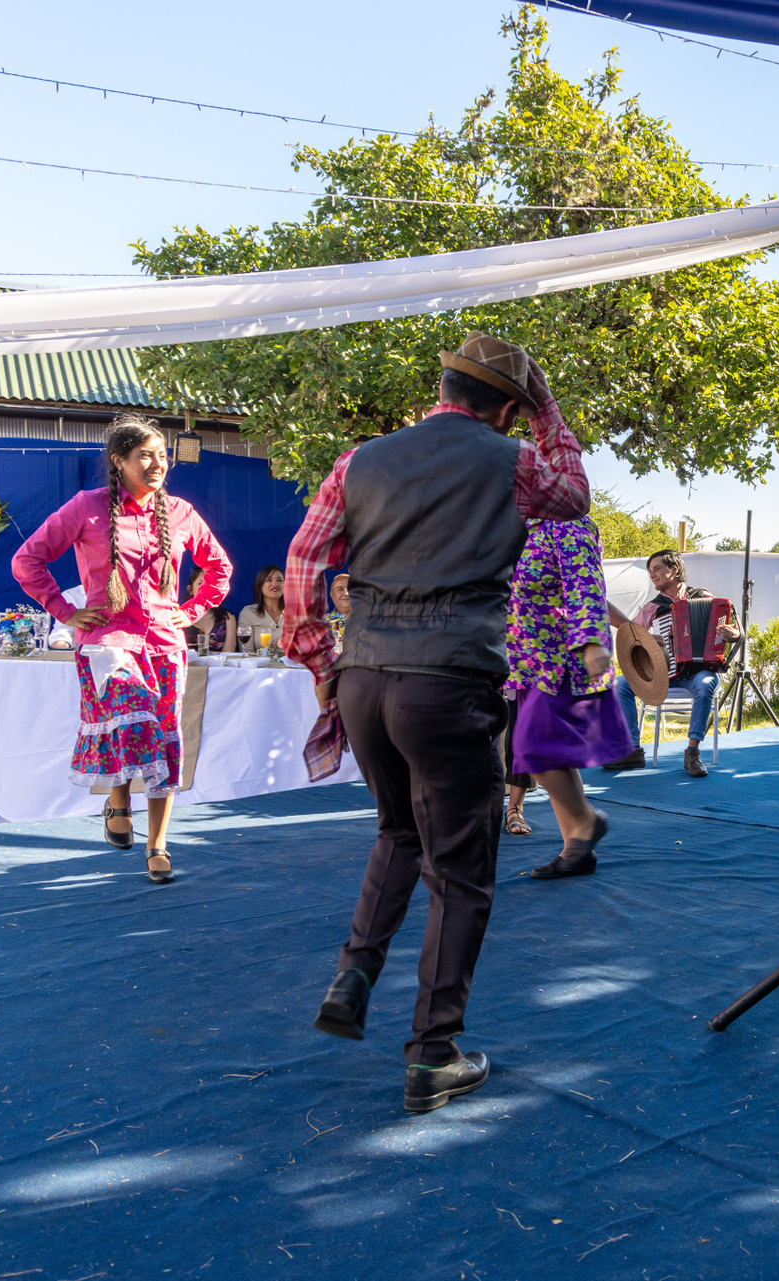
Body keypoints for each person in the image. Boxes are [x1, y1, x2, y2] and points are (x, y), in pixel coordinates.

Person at [286, 331, 587, 1115]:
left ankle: (354, 972)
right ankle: (433, 1054)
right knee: (461, 873)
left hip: (365, 678)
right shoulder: (517, 461)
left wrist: (322, 662)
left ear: (444, 388)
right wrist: (549, 411)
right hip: (448, 679)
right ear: (509, 409)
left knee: (398, 831)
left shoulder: (358, 460)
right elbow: (574, 495)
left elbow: (303, 562)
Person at [12, 416, 232, 884]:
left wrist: (192, 610)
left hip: (165, 643)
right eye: (145, 456)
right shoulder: (87, 506)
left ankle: (158, 844)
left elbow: (219, 568)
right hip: (108, 642)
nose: (157, 464)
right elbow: (27, 559)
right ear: (119, 461)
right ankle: (118, 799)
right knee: (135, 720)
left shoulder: (180, 511)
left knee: (165, 737)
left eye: (162, 455)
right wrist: (65, 611)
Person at [503, 517, 630, 878]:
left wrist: (592, 642)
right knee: (553, 754)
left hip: (562, 660)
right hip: (530, 663)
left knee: (532, 747)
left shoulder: (566, 524)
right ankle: (576, 849)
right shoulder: (519, 529)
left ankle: (586, 823)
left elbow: (585, 583)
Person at [605, 550, 738, 778]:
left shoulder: (703, 596)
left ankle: (692, 753)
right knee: (620, 685)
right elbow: (632, 638)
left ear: (674, 570)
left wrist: (733, 634)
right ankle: (633, 751)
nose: (652, 575)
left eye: (657, 569)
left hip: (699, 672)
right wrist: (648, 640)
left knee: (706, 683)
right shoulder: (652, 608)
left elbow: (733, 629)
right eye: (650, 571)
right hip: (665, 674)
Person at [181, 568, 238, 654]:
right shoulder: (179, 616)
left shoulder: (228, 618)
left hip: (218, 662)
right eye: (200, 583)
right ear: (190, 590)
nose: (205, 587)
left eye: (209, 584)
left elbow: (228, 652)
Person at [237, 565, 286, 653]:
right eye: (269, 580)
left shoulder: (295, 613)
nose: (275, 584)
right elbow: (247, 652)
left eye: (279, 580)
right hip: (258, 661)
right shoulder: (248, 613)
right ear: (260, 585)